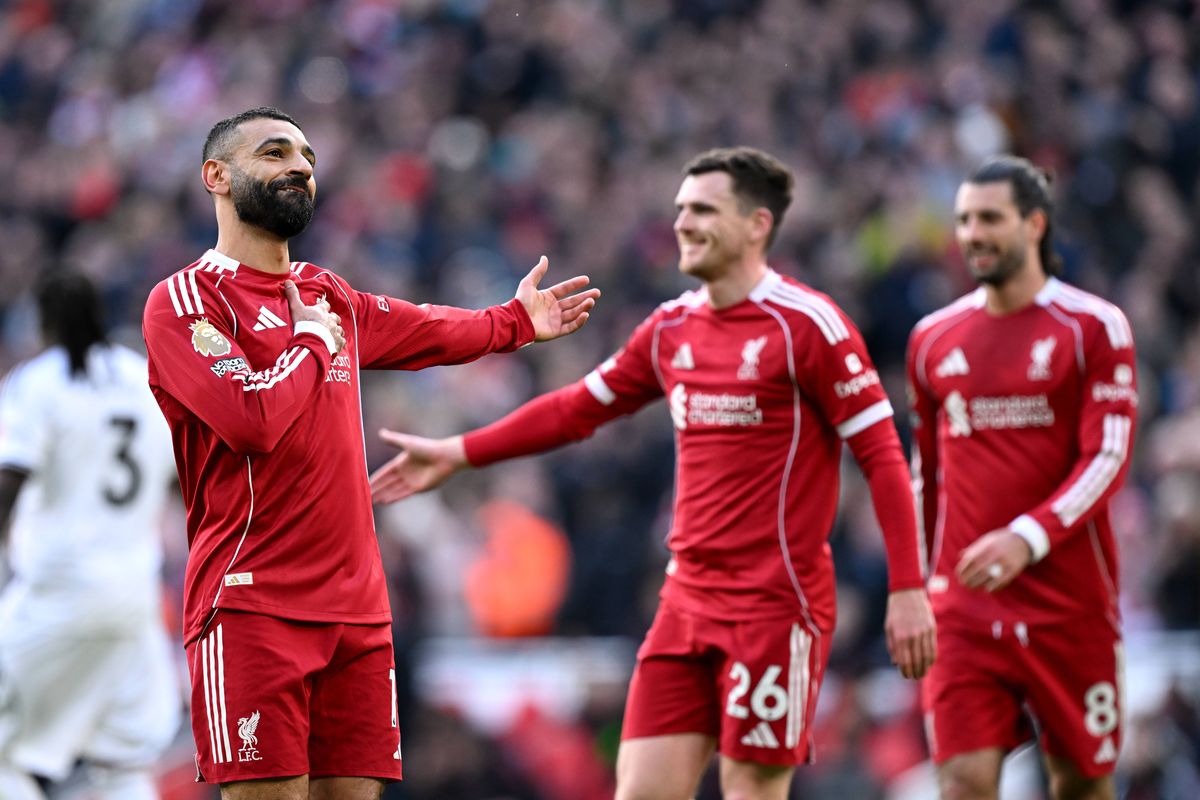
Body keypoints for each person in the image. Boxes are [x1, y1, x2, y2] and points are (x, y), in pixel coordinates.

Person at [369, 146, 937, 800]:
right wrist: (462, 450)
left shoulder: (809, 326)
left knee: (751, 789)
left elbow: (883, 457)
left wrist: (908, 588)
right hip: (685, 604)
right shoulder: (673, 327)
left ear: (757, 225)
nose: (683, 224)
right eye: (680, 209)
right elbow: (577, 409)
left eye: (703, 210)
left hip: (775, 604)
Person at [140, 106, 598, 800]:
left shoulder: (329, 297)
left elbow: (428, 330)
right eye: (274, 153)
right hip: (253, 609)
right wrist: (314, 342)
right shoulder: (185, 303)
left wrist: (514, 323)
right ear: (217, 177)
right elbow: (253, 420)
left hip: (357, 616)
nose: (299, 167)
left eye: (307, 158)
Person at [906, 155, 1138, 800]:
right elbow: (927, 473)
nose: (972, 234)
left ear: (1035, 224)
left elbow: (1108, 457)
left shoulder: (1093, 327)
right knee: (964, 783)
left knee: (1083, 784)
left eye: (989, 219)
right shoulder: (932, 338)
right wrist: (917, 580)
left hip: (1069, 603)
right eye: (963, 220)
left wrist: (1026, 538)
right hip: (966, 607)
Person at [0, 271, 182, 800]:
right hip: (134, 602)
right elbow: (180, 479)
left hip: (57, 595)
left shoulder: (42, 380)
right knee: (122, 763)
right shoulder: (142, 377)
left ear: (45, 321)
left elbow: (10, 481)